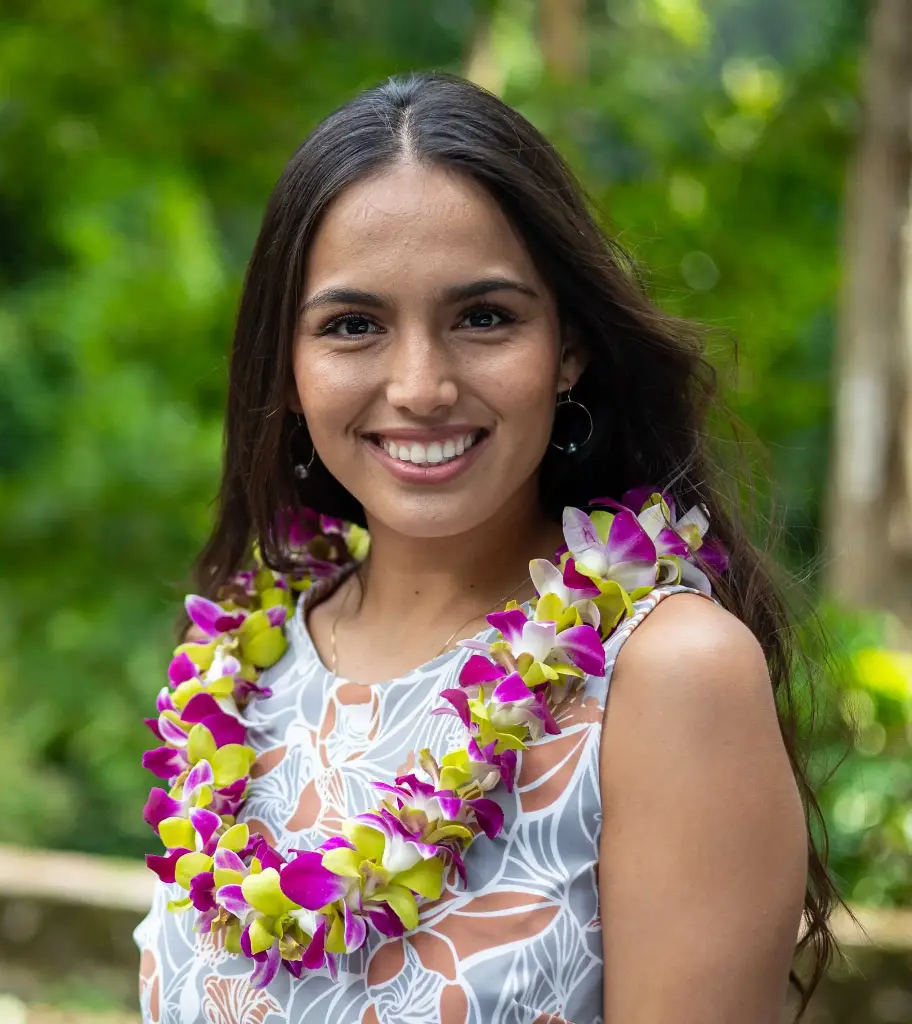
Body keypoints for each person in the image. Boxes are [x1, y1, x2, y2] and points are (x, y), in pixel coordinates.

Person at [134, 72, 838, 1024]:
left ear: (570, 350)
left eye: (484, 318)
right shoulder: (237, 670)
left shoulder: (668, 679)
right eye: (353, 326)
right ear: (288, 369)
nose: (421, 387)